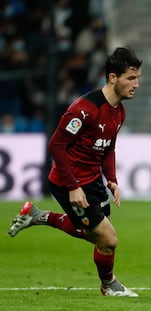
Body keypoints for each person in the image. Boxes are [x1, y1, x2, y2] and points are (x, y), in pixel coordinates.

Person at [8, 46, 142, 297]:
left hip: (92, 181)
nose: (136, 84)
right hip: (68, 181)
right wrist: (73, 187)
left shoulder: (119, 111)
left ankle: (38, 216)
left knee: (95, 235)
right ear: (113, 78)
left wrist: (112, 179)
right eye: (131, 78)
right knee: (108, 239)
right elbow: (56, 145)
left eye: (138, 78)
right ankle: (109, 285)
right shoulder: (84, 109)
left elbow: (108, 148)